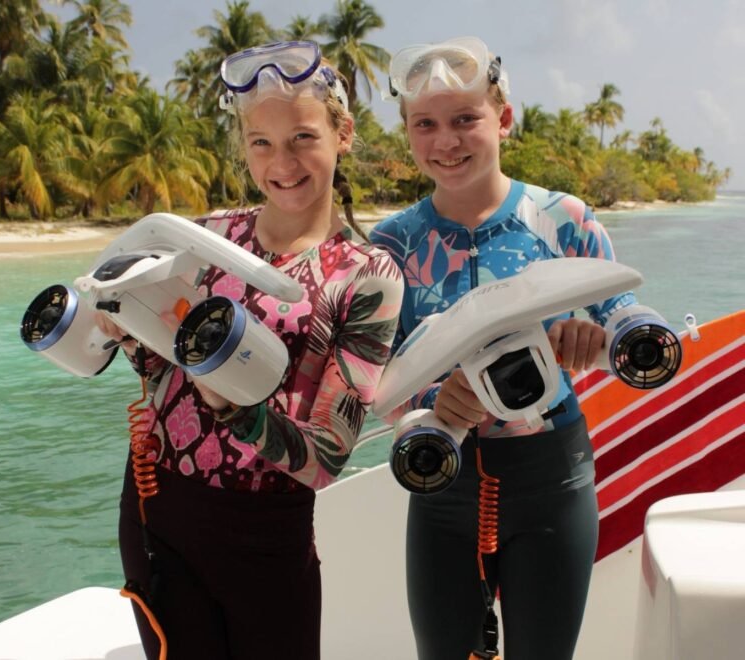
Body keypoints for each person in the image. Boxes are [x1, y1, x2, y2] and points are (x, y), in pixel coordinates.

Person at [97, 40, 403, 660]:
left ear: (342, 134)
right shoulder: (207, 237)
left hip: (264, 533)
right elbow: (164, 372)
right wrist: (127, 332)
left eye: (302, 138)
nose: (281, 162)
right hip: (158, 508)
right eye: (260, 142)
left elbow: (324, 459)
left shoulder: (368, 275)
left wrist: (237, 407)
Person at [369, 36, 637, 660]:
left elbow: (630, 330)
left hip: (554, 480)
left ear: (505, 119)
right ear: (408, 134)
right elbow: (373, 378)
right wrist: (439, 398)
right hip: (441, 481)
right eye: (425, 125)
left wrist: (590, 342)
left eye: (466, 119)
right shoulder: (392, 244)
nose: (446, 141)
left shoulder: (564, 219)